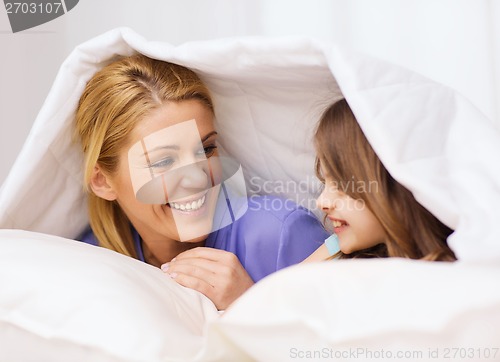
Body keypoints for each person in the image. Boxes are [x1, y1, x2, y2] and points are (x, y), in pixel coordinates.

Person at [74, 53, 328, 309]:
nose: (197, 178)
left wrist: (247, 305)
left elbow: (350, 343)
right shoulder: (92, 260)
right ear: (103, 182)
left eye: (206, 150)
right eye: (163, 162)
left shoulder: (279, 234)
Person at [304, 98, 456, 262]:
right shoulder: (336, 249)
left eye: (341, 184)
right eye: (325, 183)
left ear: (397, 187)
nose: (321, 201)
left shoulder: (447, 272)